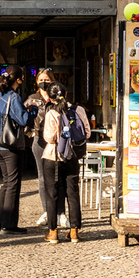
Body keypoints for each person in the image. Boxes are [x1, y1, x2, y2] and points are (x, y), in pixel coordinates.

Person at [39, 81, 90, 243]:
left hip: (53, 157)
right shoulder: (79, 110)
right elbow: (87, 133)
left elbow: (49, 138)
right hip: (72, 156)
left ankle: (53, 233)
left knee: (52, 194)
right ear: (66, 94)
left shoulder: (51, 113)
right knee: (73, 192)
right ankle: (74, 231)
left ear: (50, 97)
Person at [0, 66, 34, 233]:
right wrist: (33, 110)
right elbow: (23, 120)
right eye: (22, 78)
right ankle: (9, 224)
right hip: (11, 146)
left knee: (6, 183)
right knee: (13, 184)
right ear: (19, 80)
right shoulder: (13, 97)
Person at [24, 68, 56, 225]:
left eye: (48, 80)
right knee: (42, 176)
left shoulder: (57, 97)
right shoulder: (32, 99)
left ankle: (59, 212)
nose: (44, 82)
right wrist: (30, 133)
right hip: (39, 140)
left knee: (56, 176)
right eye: (42, 79)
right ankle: (46, 211)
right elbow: (23, 117)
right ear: (37, 81)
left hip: (55, 142)